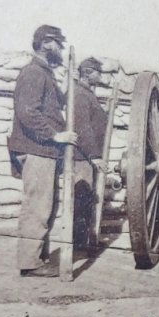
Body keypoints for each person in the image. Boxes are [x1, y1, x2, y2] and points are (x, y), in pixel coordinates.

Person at [8, 24, 78, 277]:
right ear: (47, 43)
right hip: (37, 148)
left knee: (44, 205)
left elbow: (56, 104)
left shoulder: (44, 73)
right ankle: (30, 263)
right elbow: (27, 111)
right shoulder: (34, 73)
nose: (59, 49)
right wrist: (54, 135)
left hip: (44, 151)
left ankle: (36, 258)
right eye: (58, 44)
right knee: (37, 206)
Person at [71, 57, 110, 251]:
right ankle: (79, 244)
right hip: (82, 157)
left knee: (87, 199)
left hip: (88, 157)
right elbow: (83, 127)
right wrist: (94, 156)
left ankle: (85, 240)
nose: (100, 76)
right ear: (87, 72)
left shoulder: (88, 94)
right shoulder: (80, 94)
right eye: (98, 72)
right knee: (82, 198)